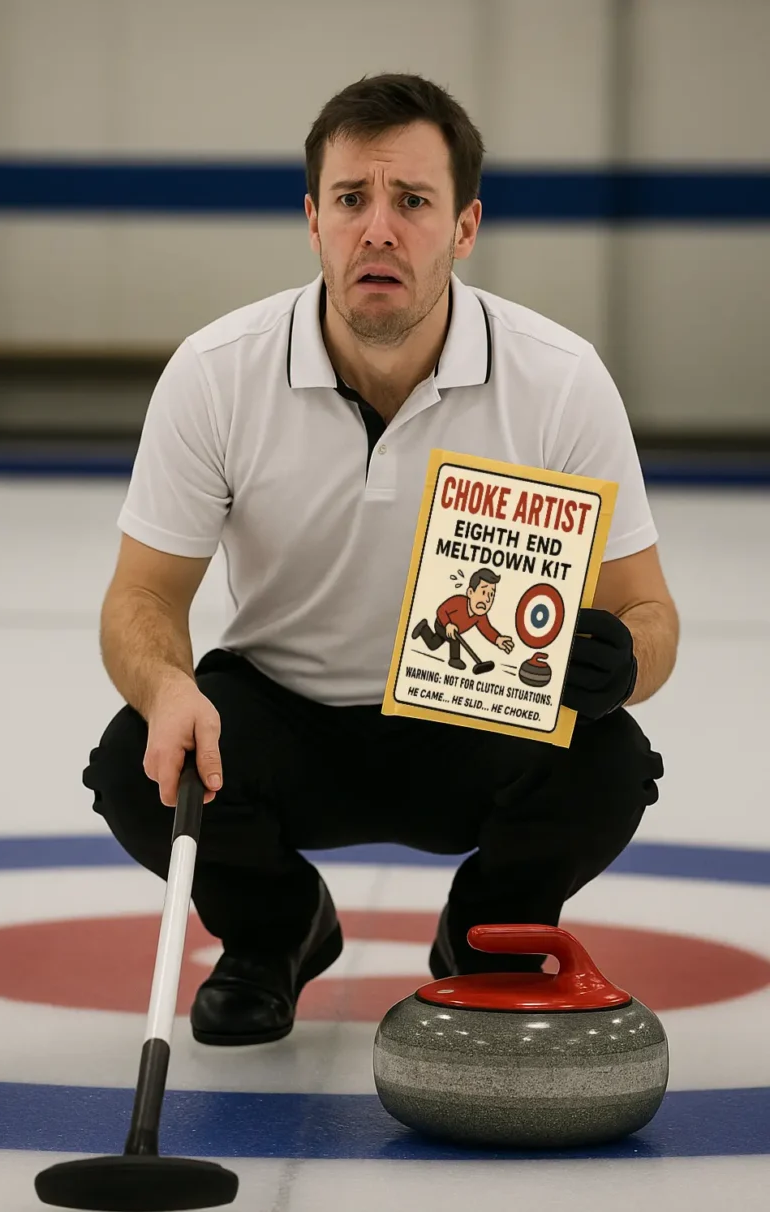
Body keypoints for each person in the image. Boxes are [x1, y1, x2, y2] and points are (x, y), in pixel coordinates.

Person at [83, 73, 676, 1048]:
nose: (378, 229)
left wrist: (621, 656)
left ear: (464, 227)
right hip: (280, 715)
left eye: (412, 202)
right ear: (313, 221)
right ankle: (275, 935)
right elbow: (141, 594)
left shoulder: (559, 380)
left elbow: (651, 615)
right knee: (130, 762)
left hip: (475, 719)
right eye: (352, 199)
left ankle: (486, 933)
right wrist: (164, 685)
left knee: (608, 763)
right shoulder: (216, 371)